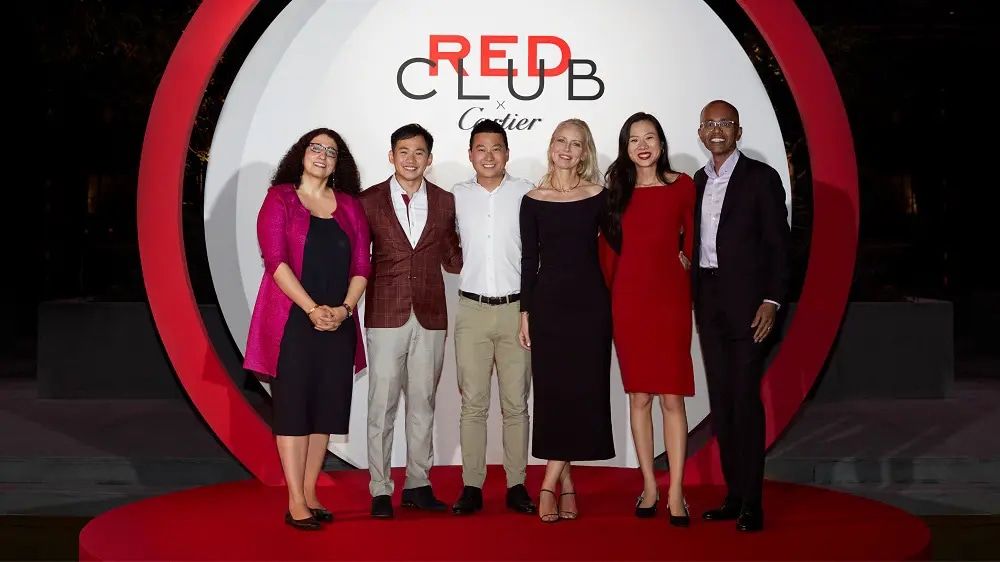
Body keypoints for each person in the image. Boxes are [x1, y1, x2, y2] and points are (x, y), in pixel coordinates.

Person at [243, 127, 371, 531]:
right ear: (301, 154)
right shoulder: (279, 198)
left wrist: (344, 310)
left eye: (331, 151)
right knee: (294, 411)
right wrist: (313, 308)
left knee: (325, 411)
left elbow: (363, 266)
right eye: (316, 147)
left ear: (338, 164)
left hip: (339, 321)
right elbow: (275, 260)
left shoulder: (350, 205)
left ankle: (312, 491)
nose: (322, 155)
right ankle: (295, 500)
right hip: (291, 323)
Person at [692, 100, 790, 533]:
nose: (717, 131)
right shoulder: (696, 181)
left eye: (725, 124)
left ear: (739, 131)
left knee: (745, 401)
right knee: (723, 401)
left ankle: (753, 501)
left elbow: (779, 247)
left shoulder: (761, 179)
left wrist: (772, 299)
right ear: (700, 131)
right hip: (708, 301)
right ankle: (733, 496)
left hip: (751, 307)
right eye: (709, 124)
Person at [358, 123, 463, 519]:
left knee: (423, 404)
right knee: (381, 406)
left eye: (419, 152)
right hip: (385, 314)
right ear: (391, 156)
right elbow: (357, 259)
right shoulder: (368, 202)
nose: (411, 159)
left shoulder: (445, 201)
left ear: (429, 159)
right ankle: (380, 488)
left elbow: (454, 259)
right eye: (404, 151)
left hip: (432, 315)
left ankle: (418, 484)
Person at [600, 112, 695, 527]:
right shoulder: (615, 194)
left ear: (661, 143)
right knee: (639, 397)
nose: (643, 145)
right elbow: (606, 255)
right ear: (625, 147)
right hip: (629, 303)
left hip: (671, 300)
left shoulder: (683, 185)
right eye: (634, 139)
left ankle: (676, 490)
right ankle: (649, 486)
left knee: (672, 398)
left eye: (650, 137)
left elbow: (695, 232)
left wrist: (687, 258)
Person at [518, 118, 614, 523]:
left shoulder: (600, 197)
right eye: (561, 141)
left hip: (591, 308)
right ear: (551, 146)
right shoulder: (532, 198)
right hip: (548, 308)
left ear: (585, 152)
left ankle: (546, 483)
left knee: (583, 393)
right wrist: (524, 312)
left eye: (576, 144)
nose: (567, 149)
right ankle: (567, 484)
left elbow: (626, 245)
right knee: (555, 396)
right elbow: (528, 260)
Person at [450, 120, 537, 516]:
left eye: (496, 148)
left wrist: (530, 310)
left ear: (507, 153)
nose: (488, 156)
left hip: (516, 311)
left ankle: (517, 484)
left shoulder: (527, 193)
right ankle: (472, 486)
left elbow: (539, 253)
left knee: (516, 404)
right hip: (470, 310)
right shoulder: (455, 196)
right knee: (473, 404)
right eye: (480, 148)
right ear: (470, 154)